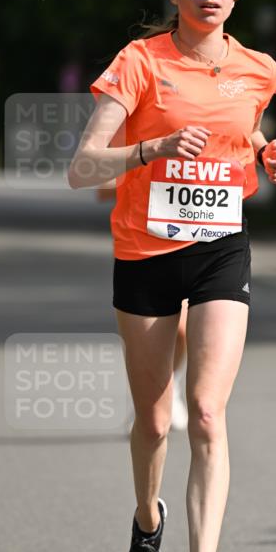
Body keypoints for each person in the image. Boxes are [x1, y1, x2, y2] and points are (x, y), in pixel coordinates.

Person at [68, 0, 276, 552]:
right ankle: (146, 519)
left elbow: (247, 132)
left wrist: (270, 155)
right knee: (154, 416)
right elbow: (82, 168)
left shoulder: (258, 69)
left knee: (205, 413)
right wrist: (152, 149)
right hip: (144, 251)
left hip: (221, 248)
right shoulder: (139, 64)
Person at [97, 181, 190, 431]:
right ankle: (148, 406)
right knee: (146, 338)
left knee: (181, 330)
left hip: (193, 240)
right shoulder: (134, 141)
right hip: (144, 242)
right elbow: (103, 189)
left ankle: (173, 385)